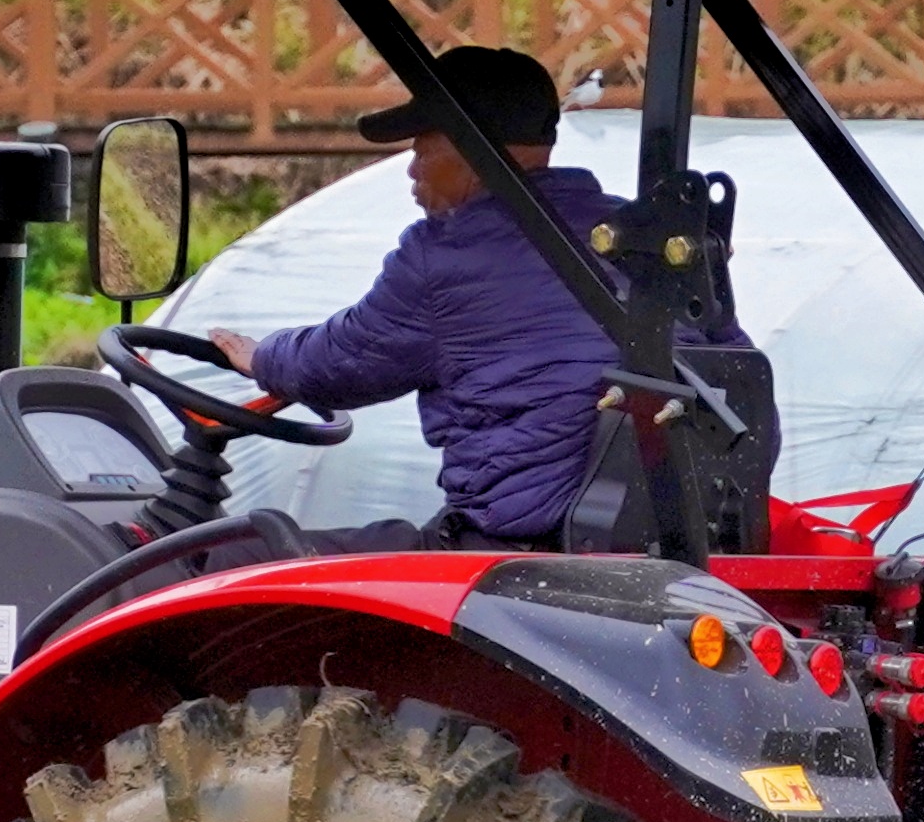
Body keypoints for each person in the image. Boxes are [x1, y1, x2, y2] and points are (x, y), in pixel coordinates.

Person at [199, 44, 626, 550]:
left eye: (422, 149)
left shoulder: (448, 258)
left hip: (520, 540)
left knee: (248, 558)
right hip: (629, 525)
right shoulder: (638, 236)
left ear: (469, 150)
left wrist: (262, 357)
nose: (411, 169)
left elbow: (344, 361)